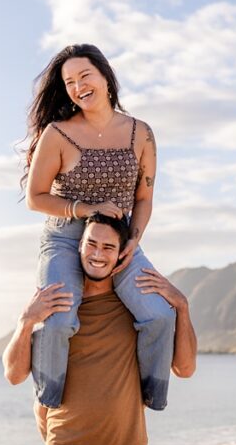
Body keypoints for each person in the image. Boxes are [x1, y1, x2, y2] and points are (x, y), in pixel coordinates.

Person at [3, 214, 198, 445]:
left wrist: (182, 307)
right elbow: (14, 375)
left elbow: (185, 369)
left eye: (108, 247)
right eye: (90, 244)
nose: (97, 254)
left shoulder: (139, 311)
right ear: (77, 247)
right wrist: (26, 321)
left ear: (123, 253)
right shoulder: (57, 306)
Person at [23, 43, 175, 411]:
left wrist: (132, 241)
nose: (78, 86)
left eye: (85, 75)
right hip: (64, 237)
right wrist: (85, 208)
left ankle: (146, 399)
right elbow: (36, 197)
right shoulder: (58, 134)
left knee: (160, 314)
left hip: (117, 239)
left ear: (106, 76)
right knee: (57, 322)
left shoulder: (141, 133)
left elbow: (144, 199)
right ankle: (50, 405)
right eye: (69, 81)